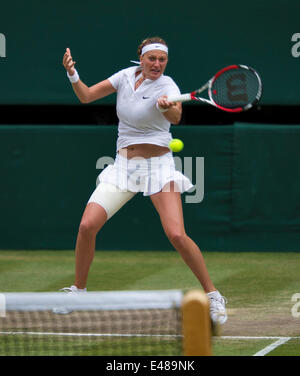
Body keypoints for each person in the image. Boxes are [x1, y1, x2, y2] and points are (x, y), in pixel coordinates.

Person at [62, 37, 227, 324]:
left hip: (158, 167)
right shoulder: (124, 77)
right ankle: (78, 289)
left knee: (176, 234)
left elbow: (176, 117)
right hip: (124, 166)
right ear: (141, 57)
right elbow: (86, 96)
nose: (157, 64)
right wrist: (72, 73)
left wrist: (167, 107)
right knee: (87, 225)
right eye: (152, 59)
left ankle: (213, 296)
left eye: (162, 60)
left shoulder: (168, 86)